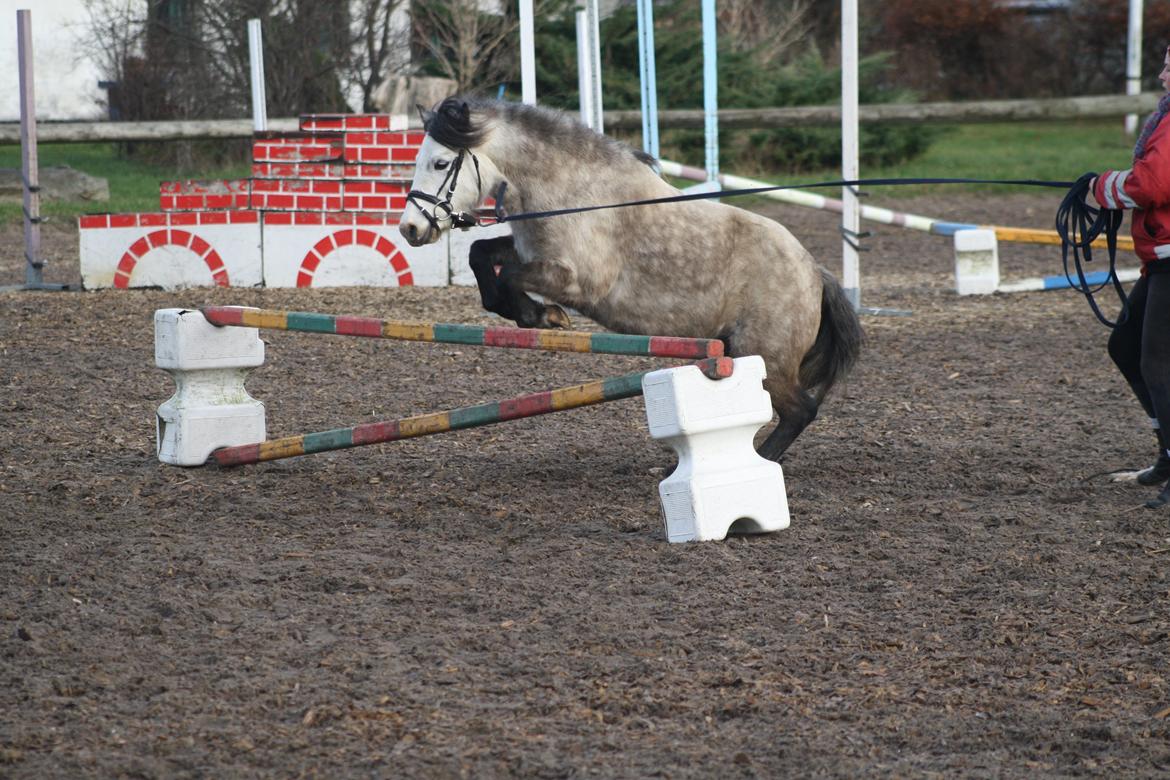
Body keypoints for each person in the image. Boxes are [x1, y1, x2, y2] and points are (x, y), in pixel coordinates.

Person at [1091, 46, 1170, 508]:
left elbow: (1151, 185)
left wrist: (1102, 188)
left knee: (1160, 365)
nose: (1161, 76)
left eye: (1168, 67)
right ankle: (1166, 451)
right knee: (1125, 346)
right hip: (1161, 256)